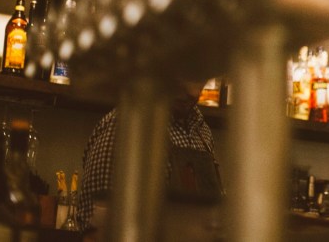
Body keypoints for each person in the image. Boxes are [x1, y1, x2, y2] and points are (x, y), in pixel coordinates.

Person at [75, 81, 221, 231]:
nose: (193, 92)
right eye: (185, 75)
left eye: (199, 79)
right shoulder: (126, 126)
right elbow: (101, 228)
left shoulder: (202, 131)